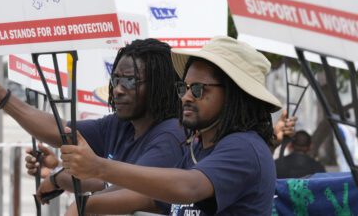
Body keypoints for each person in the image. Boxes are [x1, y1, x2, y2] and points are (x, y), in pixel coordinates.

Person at [60, 36, 283, 215]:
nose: (186, 97)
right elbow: (158, 199)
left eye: (198, 89)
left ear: (234, 95)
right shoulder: (198, 149)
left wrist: (99, 167)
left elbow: (188, 187)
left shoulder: (244, 147)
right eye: (183, 87)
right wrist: (87, 205)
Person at [0, 38, 185, 215]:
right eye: (115, 80)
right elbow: (60, 130)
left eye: (129, 80)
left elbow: (135, 191)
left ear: (159, 85)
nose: (118, 89)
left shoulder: (170, 136)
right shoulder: (121, 125)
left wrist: (81, 205)